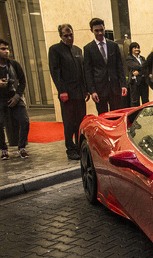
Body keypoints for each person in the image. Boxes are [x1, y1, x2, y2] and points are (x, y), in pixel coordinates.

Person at [48, 24, 88, 160]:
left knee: (80, 120)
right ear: (61, 36)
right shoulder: (55, 50)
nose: (69, 38)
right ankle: (70, 148)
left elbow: (82, 72)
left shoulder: (78, 50)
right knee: (69, 122)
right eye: (66, 35)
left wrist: (85, 89)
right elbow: (55, 72)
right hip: (67, 94)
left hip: (80, 93)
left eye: (71, 34)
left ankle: (78, 146)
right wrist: (62, 91)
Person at [0, 39, 30, 160]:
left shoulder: (14, 64)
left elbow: (23, 81)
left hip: (14, 96)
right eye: (3, 49)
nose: (6, 51)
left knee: (24, 121)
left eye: (7, 49)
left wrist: (17, 96)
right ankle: (3, 150)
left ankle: (21, 148)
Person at [83, 17, 127, 114]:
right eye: (96, 31)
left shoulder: (113, 45)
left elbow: (120, 66)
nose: (99, 33)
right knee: (103, 115)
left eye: (101, 30)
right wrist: (92, 91)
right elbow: (88, 71)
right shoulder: (88, 48)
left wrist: (123, 84)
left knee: (116, 114)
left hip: (114, 87)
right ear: (91, 31)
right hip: (99, 89)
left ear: (104, 28)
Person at [126, 42, 149, 106]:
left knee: (146, 100)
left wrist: (139, 72)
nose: (137, 49)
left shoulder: (142, 58)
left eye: (138, 48)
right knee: (135, 101)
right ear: (131, 49)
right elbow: (135, 66)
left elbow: (146, 68)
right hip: (135, 83)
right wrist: (143, 67)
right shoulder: (129, 58)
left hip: (144, 81)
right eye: (135, 48)